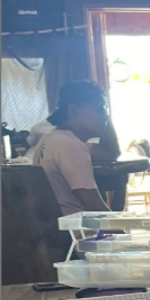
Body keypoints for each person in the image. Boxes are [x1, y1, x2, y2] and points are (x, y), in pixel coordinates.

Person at [32, 80, 111, 215]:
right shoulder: (70, 146)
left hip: (53, 227)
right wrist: (123, 234)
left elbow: (111, 153)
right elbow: (93, 206)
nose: (106, 117)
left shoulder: (49, 139)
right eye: (100, 108)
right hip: (76, 231)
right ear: (74, 110)